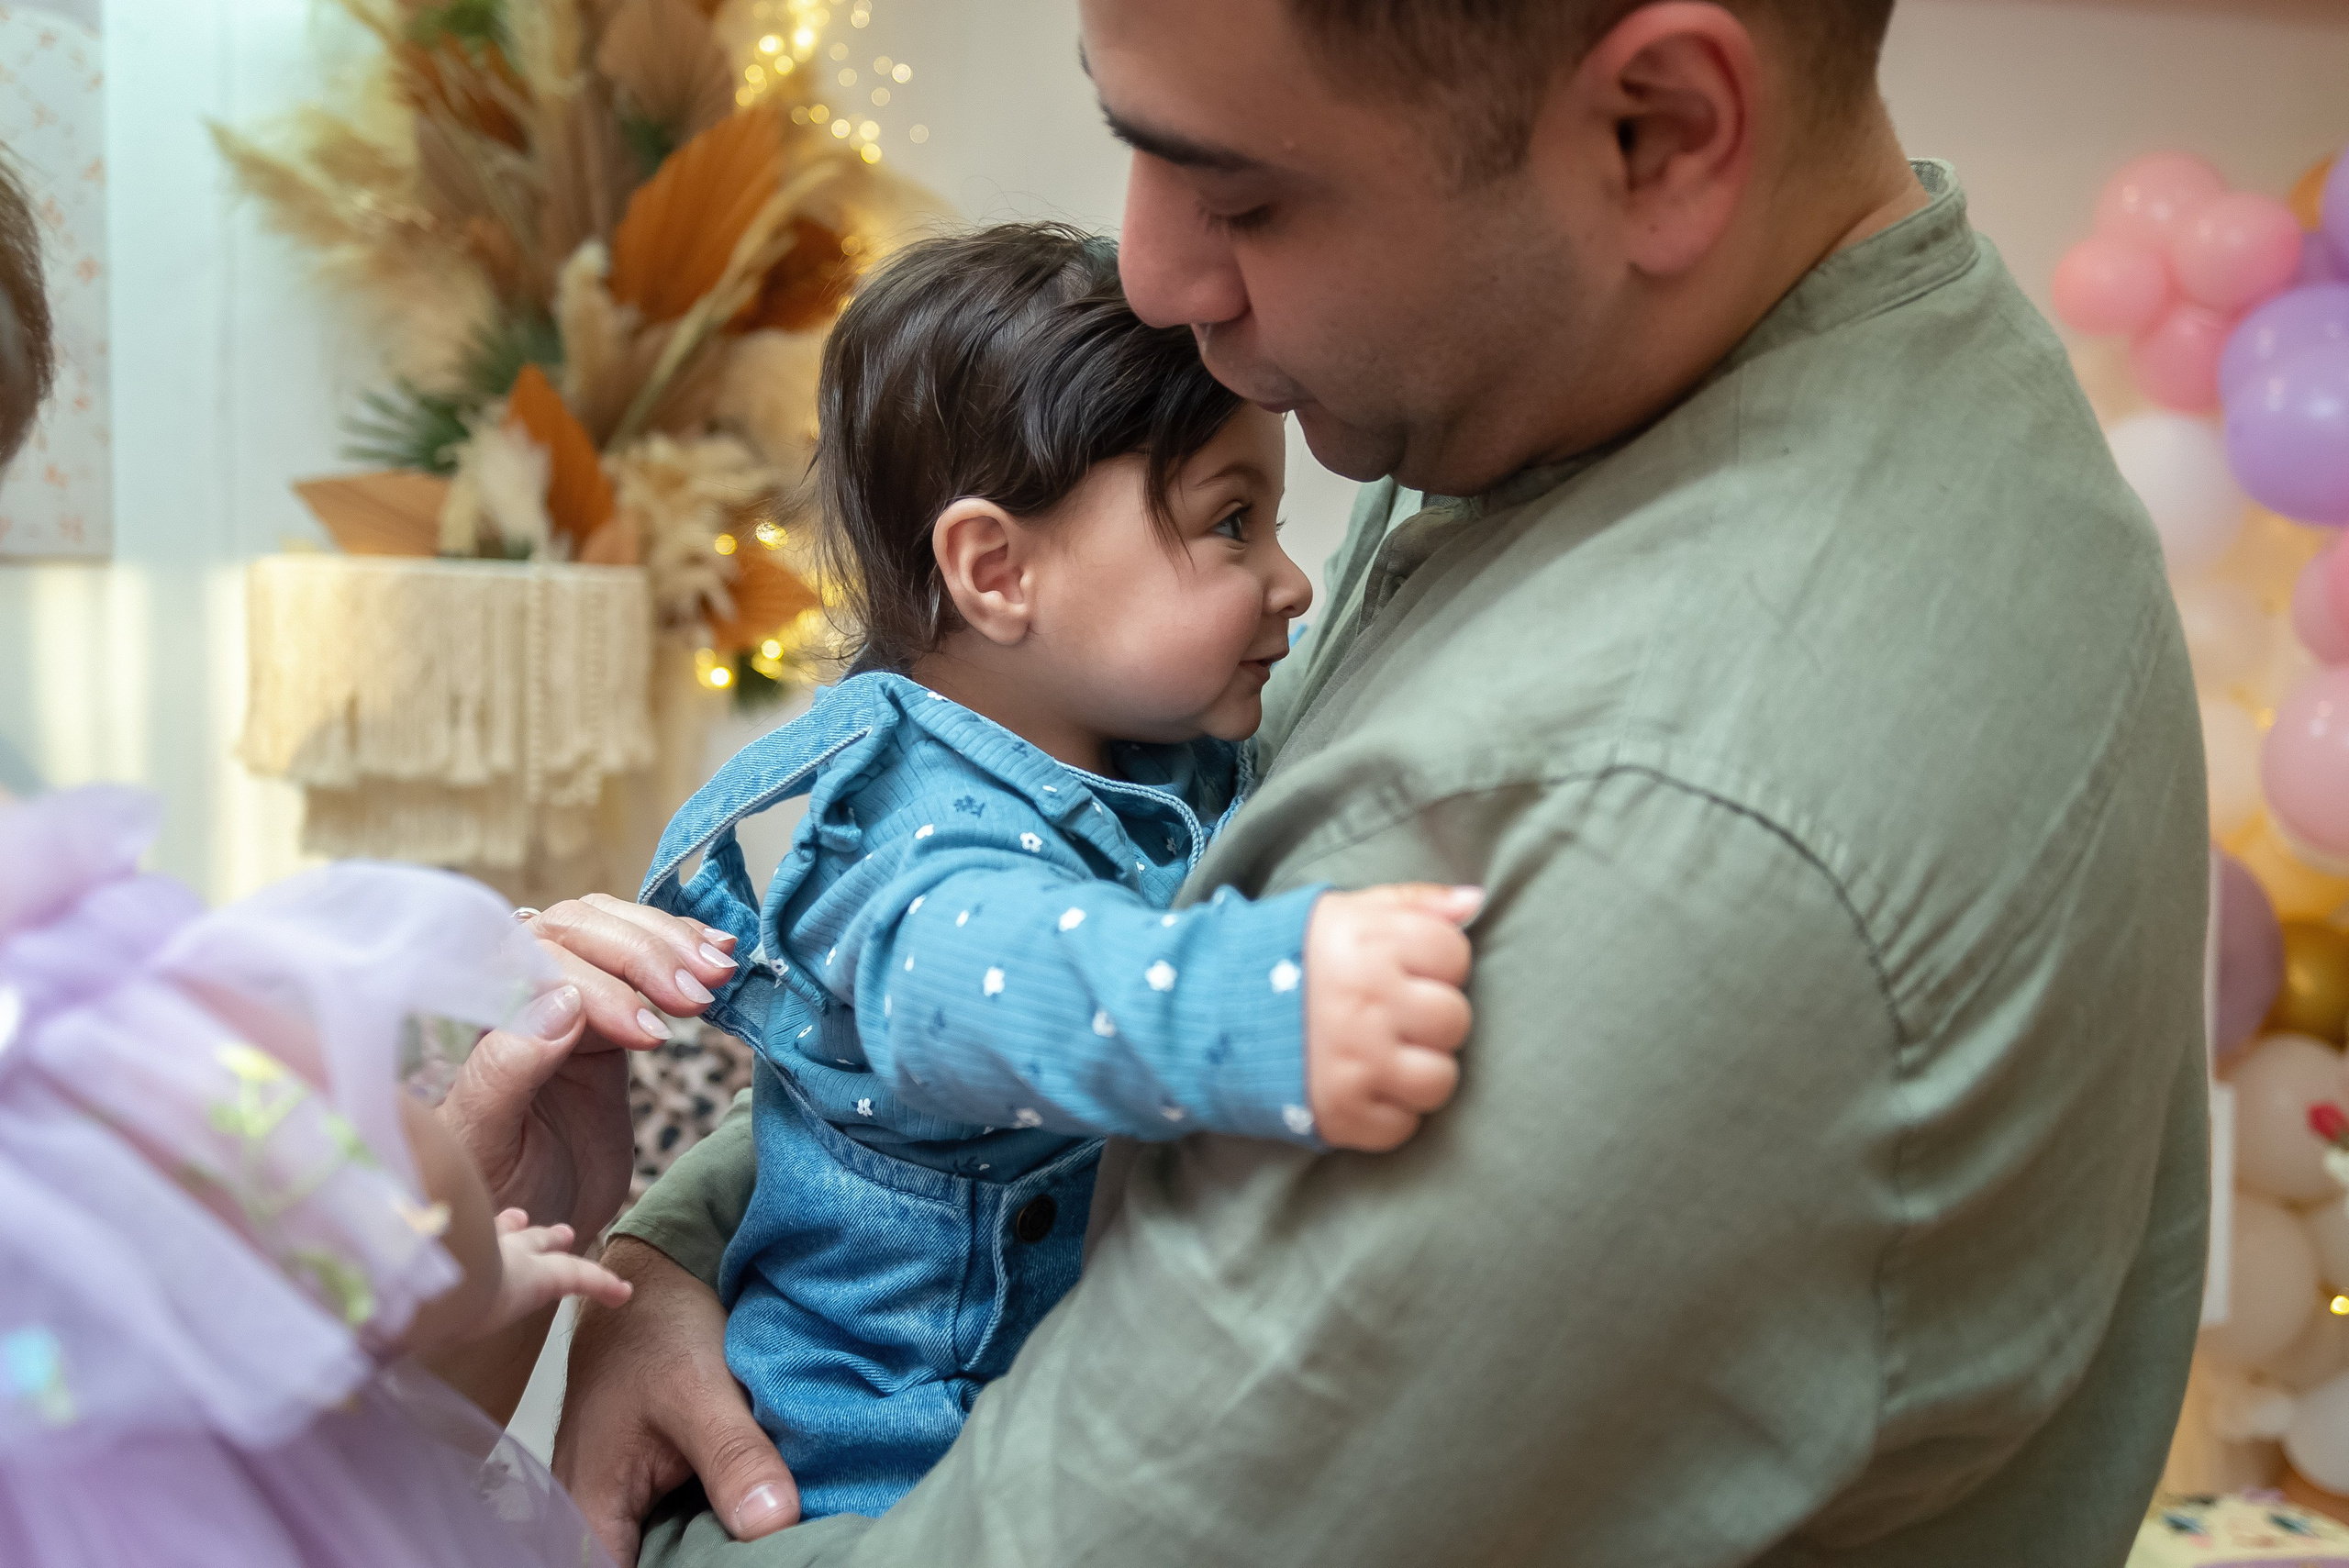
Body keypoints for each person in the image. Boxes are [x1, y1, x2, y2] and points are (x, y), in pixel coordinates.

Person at [561, 1, 2210, 1562]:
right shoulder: (1608, 396)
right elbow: (948, 1006)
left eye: (1244, 195)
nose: (1150, 274)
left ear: (1659, 134)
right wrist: (680, 1257)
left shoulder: (1653, 826)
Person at [638, 222, 1479, 1520]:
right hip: (880, 1472)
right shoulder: (902, 832)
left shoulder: (1158, 743)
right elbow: (990, 991)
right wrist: (1263, 1001)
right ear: (997, 571)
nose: (1294, 581)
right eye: (1231, 524)